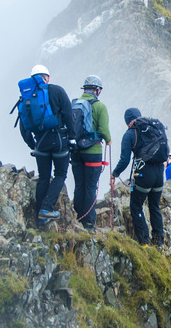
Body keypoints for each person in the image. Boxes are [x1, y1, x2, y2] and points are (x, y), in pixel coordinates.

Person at [18, 65, 76, 227]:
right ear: (47, 77)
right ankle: (46, 208)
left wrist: (33, 144)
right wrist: (72, 138)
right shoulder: (57, 91)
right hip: (58, 141)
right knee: (60, 174)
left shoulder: (26, 97)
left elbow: (24, 128)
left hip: (40, 144)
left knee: (43, 177)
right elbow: (68, 115)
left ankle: (39, 217)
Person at [110, 108, 167, 247]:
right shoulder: (154, 128)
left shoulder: (130, 134)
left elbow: (124, 160)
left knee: (136, 206)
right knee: (154, 206)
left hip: (144, 174)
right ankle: (159, 242)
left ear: (127, 121)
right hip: (160, 173)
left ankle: (144, 242)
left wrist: (114, 174)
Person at [70, 75, 111, 230]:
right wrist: (109, 140)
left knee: (79, 184)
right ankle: (88, 221)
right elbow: (104, 130)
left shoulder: (74, 104)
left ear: (84, 89)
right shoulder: (100, 107)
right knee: (91, 186)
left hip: (75, 150)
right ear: (97, 90)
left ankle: (78, 215)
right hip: (93, 151)